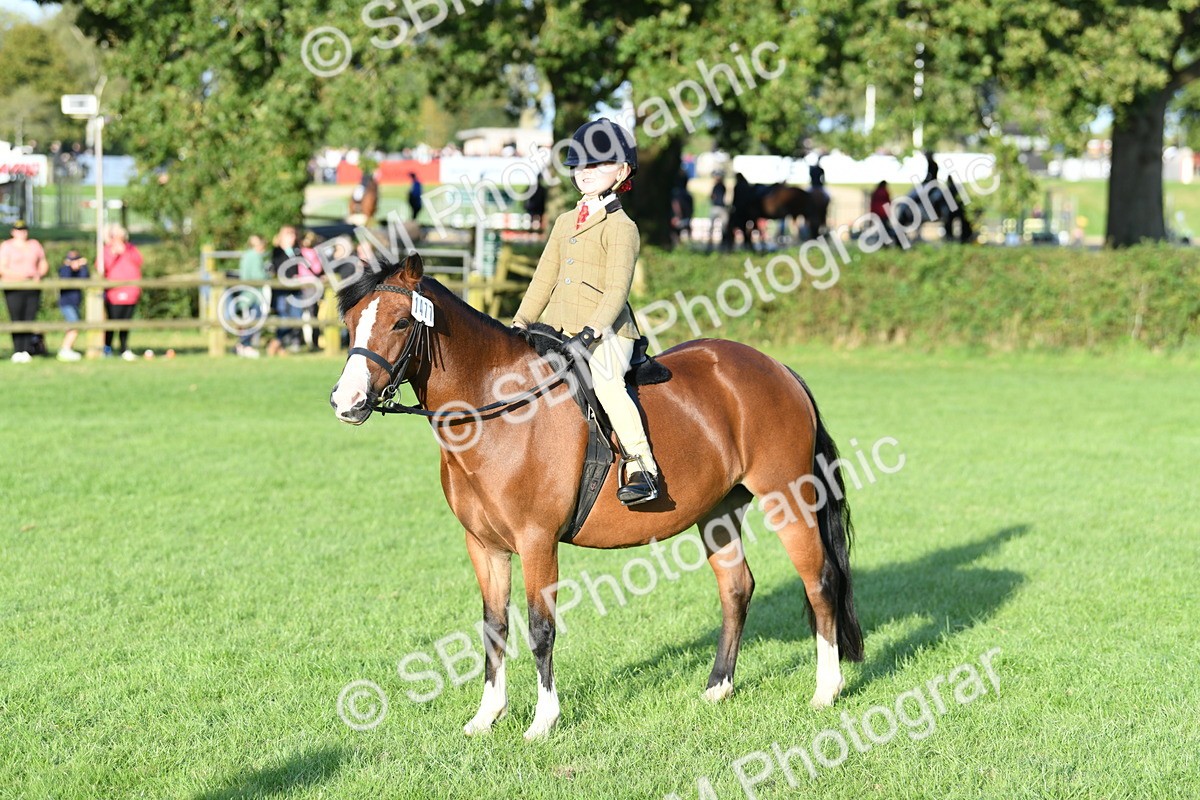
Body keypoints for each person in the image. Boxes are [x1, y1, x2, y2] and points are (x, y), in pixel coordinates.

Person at [511, 119, 659, 505]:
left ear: (622, 171)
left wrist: (592, 331)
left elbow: (617, 289)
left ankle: (642, 465)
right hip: (557, 327)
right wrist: (520, 323)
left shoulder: (621, 226)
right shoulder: (562, 222)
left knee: (607, 382)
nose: (586, 172)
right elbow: (543, 281)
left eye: (598, 164)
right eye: (580, 165)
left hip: (607, 333)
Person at [0, 220, 49, 362]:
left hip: (32, 287)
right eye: (18, 230)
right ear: (13, 232)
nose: (22, 233)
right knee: (17, 318)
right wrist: (22, 276)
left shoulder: (34, 245)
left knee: (29, 317)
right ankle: (18, 349)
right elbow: (2, 268)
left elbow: (43, 262)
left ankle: (27, 349)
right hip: (13, 287)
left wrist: (39, 274)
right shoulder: (7, 246)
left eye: (24, 230)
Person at [102, 225, 143, 360]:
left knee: (126, 322)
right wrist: (113, 253)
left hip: (131, 292)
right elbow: (101, 267)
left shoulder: (131, 249)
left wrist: (125, 251)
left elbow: (139, 261)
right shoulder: (107, 251)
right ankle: (107, 348)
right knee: (112, 322)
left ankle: (124, 348)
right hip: (114, 293)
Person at [268, 225, 303, 356]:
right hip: (282, 291)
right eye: (289, 235)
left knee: (296, 317)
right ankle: (279, 344)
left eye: (293, 234)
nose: (293, 237)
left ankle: (276, 343)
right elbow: (277, 268)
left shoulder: (297, 251)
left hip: (296, 290)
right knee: (283, 318)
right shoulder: (277, 251)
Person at [235, 234, 268, 357]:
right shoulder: (254, 256)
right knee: (254, 320)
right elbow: (257, 276)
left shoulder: (247, 255)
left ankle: (243, 345)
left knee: (249, 320)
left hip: (248, 294)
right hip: (252, 295)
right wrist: (268, 275)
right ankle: (244, 345)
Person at [57, 249, 89, 360]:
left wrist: (83, 267)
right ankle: (65, 349)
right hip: (66, 303)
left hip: (75, 303)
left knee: (73, 325)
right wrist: (68, 266)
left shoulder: (79, 272)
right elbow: (64, 277)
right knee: (75, 325)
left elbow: (85, 278)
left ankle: (68, 349)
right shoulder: (64, 270)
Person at [708, 172, 728, 252]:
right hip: (721, 207)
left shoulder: (717, 186)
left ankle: (710, 243)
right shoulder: (723, 186)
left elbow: (712, 196)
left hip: (716, 207)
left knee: (712, 227)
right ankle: (722, 244)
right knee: (723, 227)